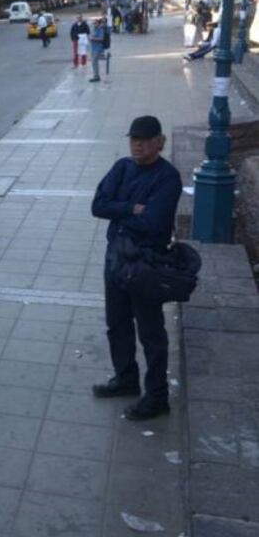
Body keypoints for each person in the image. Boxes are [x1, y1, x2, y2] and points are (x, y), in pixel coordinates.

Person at [91, 116, 182, 421]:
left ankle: (157, 396)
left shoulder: (168, 178)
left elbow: (154, 223)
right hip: (116, 259)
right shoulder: (122, 167)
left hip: (146, 264)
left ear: (159, 142)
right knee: (116, 323)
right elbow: (97, 205)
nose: (137, 145)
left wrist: (119, 212)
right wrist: (131, 208)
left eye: (144, 140)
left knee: (150, 331)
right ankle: (126, 378)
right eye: (133, 140)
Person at [89, 17, 107, 82]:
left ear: (98, 24)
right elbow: (91, 36)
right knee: (94, 63)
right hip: (93, 48)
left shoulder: (100, 29)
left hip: (98, 48)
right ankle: (96, 75)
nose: (94, 24)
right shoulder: (93, 29)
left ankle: (96, 77)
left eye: (95, 23)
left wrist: (93, 39)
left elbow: (101, 38)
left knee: (94, 62)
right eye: (93, 23)